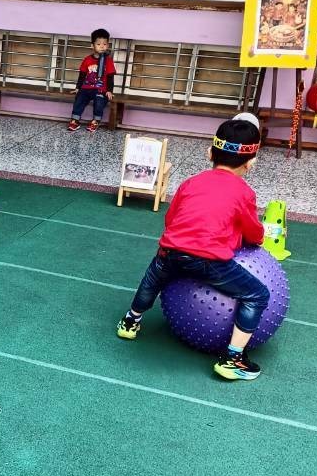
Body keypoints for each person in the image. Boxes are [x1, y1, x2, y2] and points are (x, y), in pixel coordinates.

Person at [116, 115, 270, 382]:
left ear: (209, 153)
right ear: (251, 163)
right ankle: (232, 359)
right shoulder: (244, 192)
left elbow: (171, 218)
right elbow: (253, 232)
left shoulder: (191, 182)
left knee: (152, 281)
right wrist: (256, 240)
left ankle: (130, 321)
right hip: (210, 261)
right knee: (257, 295)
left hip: (171, 251)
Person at [68, 28, 116, 132]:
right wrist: (78, 88)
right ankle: (75, 120)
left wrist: (109, 90)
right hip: (87, 87)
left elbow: (110, 76)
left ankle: (95, 121)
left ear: (108, 45)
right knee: (79, 99)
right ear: (92, 45)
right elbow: (82, 74)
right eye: (98, 44)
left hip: (100, 89)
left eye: (105, 44)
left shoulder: (108, 61)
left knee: (99, 101)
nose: (102, 46)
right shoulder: (87, 60)